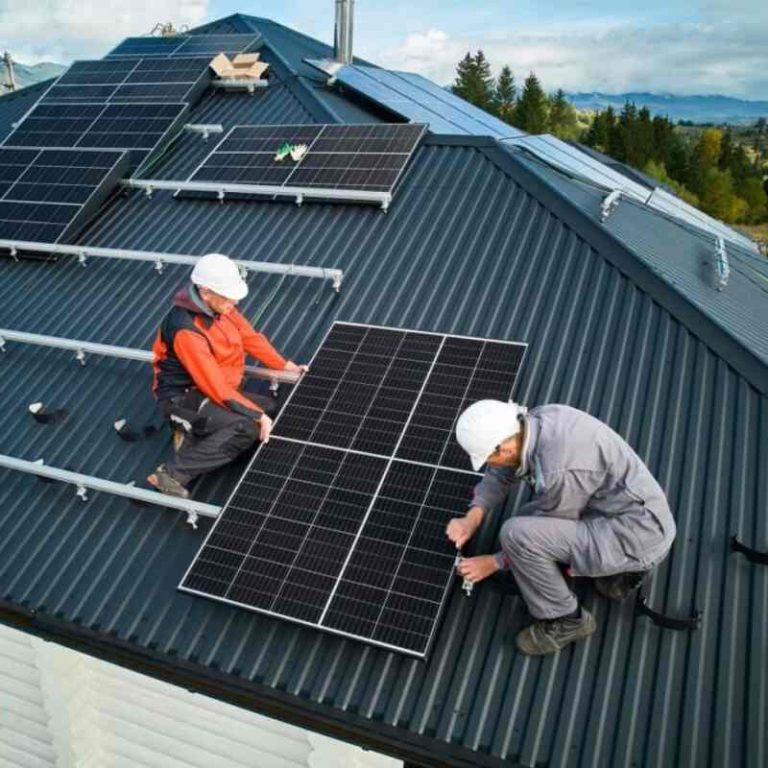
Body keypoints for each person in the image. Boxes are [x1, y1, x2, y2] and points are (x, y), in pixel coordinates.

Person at [447, 400, 676, 656]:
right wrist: (473, 516)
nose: (490, 463)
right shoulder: (533, 423)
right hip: (630, 514)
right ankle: (621, 572)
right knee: (528, 520)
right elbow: (501, 471)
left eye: (490, 456)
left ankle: (568, 619)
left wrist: (494, 562)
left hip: (637, 535)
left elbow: (551, 524)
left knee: (516, 534)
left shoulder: (559, 468)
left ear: (504, 448)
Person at [148, 253, 306, 499]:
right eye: (227, 295)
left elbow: (249, 337)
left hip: (211, 388)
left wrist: (285, 365)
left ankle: (196, 429)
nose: (234, 301)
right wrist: (256, 416)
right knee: (246, 428)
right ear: (206, 292)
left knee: (269, 406)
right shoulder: (186, 330)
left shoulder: (222, 307)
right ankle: (171, 473)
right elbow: (215, 386)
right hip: (183, 397)